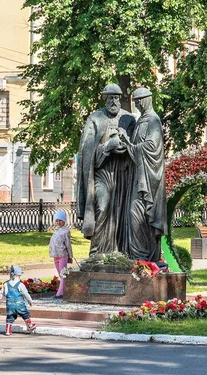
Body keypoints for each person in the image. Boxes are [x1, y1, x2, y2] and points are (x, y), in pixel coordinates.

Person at [77, 83, 136, 256]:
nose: (114, 101)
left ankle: (120, 251)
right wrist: (107, 147)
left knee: (121, 212)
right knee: (102, 207)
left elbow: (136, 144)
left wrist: (125, 147)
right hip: (102, 173)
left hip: (123, 174)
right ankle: (97, 252)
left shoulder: (128, 119)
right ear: (104, 98)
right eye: (110, 97)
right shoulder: (95, 118)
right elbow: (86, 151)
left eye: (117, 97)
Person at [119, 87, 167, 261]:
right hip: (139, 176)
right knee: (134, 215)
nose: (137, 104)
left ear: (148, 99)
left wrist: (129, 144)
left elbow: (151, 148)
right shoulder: (141, 121)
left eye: (139, 100)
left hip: (148, 178)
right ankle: (139, 258)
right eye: (135, 101)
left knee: (137, 214)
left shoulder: (153, 121)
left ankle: (144, 259)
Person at [0, 265, 36, 336]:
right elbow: (26, 294)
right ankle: (29, 326)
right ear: (19, 276)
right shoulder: (20, 285)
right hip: (20, 305)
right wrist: (30, 301)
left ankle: (8, 330)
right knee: (25, 315)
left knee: (10, 317)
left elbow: (0, 294)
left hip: (10, 305)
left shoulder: (6, 285)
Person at [49, 210, 73, 298]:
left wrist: (70, 256)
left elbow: (68, 244)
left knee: (63, 274)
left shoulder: (66, 231)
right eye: (57, 220)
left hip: (63, 255)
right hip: (55, 255)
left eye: (60, 220)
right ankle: (66, 288)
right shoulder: (57, 230)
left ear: (64, 221)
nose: (58, 222)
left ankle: (60, 293)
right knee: (61, 274)